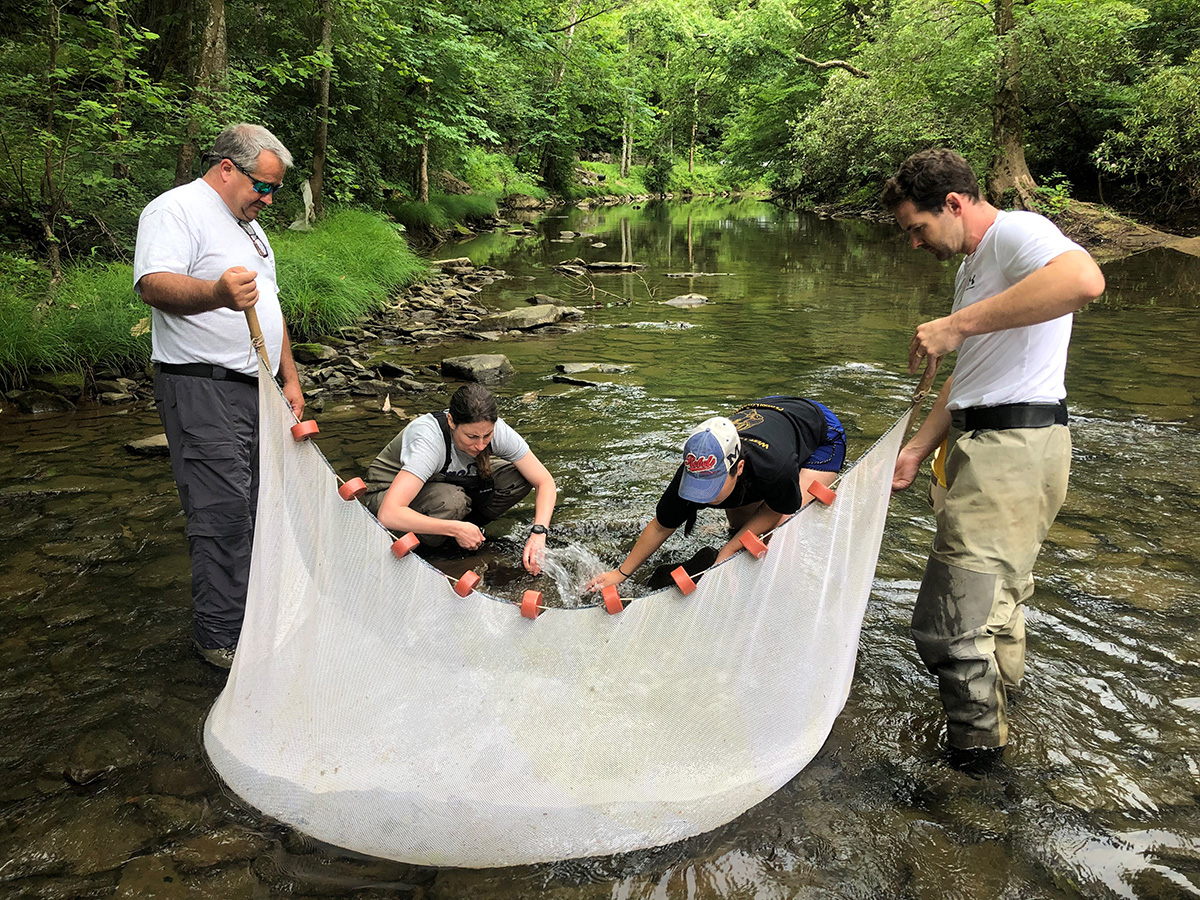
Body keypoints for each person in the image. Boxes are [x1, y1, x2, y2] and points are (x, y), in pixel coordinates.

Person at [881, 148, 1105, 773]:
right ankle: (1007, 732)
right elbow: (972, 374)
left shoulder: (1016, 232)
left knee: (947, 627)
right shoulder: (977, 266)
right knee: (994, 612)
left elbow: (1084, 280)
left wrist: (955, 325)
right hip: (985, 446)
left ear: (953, 204)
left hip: (1014, 447)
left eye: (918, 229)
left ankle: (979, 773)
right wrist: (921, 445)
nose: (916, 245)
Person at [134, 123, 304, 669]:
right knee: (222, 512)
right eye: (263, 185)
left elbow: (270, 307)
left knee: (259, 506)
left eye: (275, 189)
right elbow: (152, 284)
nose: (269, 198)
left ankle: (247, 620)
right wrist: (214, 293)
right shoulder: (175, 210)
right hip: (199, 387)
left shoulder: (249, 227)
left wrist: (290, 378)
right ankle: (220, 639)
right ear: (227, 168)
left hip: (256, 387)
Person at [586, 397, 846, 592]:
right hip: (764, 412)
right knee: (741, 528)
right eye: (698, 485)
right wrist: (621, 573)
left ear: (739, 468)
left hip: (820, 431)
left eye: (712, 484)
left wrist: (725, 556)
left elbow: (776, 509)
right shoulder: (695, 465)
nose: (703, 497)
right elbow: (660, 526)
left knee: (782, 528)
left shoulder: (774, 466)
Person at [363, 383, 557, 575]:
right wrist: (455, 529)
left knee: (518, 477)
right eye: (471, 437)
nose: (480, 445)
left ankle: (469, 531)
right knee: (451, 502)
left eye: (487, 435)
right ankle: (435, 550)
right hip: (385, 495)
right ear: (451, 422)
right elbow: (389, 513)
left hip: (444, 486)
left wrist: (539, 534)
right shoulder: (428, 442)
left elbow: (544, 481)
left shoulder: (496, 431)